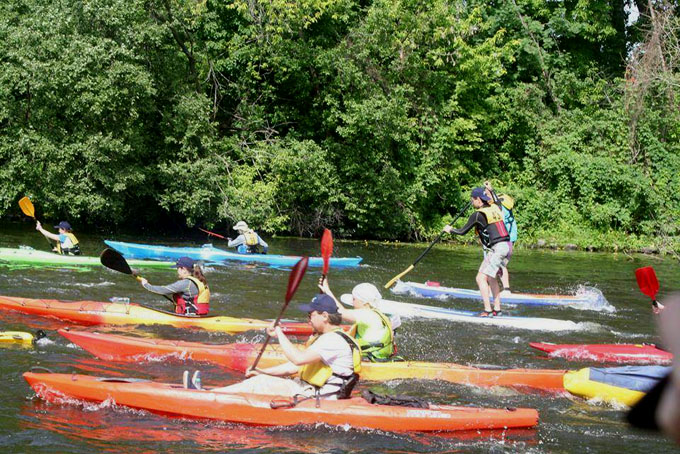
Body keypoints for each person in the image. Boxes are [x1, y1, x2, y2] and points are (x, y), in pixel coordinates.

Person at [202, 294, 361, 400]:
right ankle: (210, 393)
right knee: (261, 379)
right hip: (311, 389)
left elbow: (298, 360)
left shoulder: (332, 340)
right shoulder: (330, 337)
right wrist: (263, 372)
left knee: (260, 383)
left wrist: (279, 333)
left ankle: (206, 396)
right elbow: (294, 367)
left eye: (311, 315)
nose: (308, 320)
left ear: (325, 316)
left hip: (320, 396)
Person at [443, 187, 511, 316]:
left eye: (472, 200)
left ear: (478, 199)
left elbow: (462, 232)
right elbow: (497, 201)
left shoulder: (478, 215)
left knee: (480, 278)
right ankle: (497, 309)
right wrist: (491, 190)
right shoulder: (495, 207)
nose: (472, 202)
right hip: (504, 247)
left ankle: (487, 310)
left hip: (498, 249)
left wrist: (449, 229)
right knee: (491, 278)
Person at [319, 277, 396, 362]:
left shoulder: (366, 314)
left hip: (370, 360)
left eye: (354, 299)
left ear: (364, 302)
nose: (352, 303)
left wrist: (327, 290)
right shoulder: (376, 313)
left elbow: (340, 312)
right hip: (380, 358)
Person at [139, 256, 210, 316]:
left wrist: (146, 285)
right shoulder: (200, 280)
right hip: (200, 315)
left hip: (189, 316)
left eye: (177, 269)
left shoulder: (185, 283)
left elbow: (163, 290)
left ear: (183, 269)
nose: (177, 271)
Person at [484, 181, 517, 295]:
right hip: (501, 240)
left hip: (505, 240)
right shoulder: (500, 207)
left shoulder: (502, 209)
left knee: (500, 264)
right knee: (494, 264)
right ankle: (490, 289)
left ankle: (506, 290)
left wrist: (490, 190)